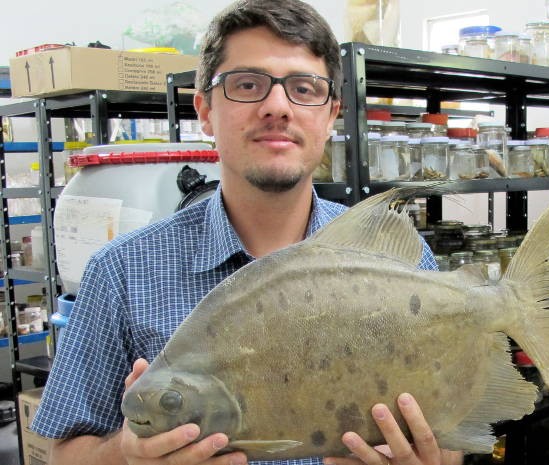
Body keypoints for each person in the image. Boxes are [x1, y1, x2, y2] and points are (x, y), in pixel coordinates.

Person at [31, 1, 462, 464]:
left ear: (331, 113)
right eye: (247, 85)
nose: (277, 106)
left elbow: (452, 438)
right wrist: (128, 456)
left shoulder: (396, 255)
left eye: (304, 87)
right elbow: (63, 453)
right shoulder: (122, 272)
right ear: (206, 111)